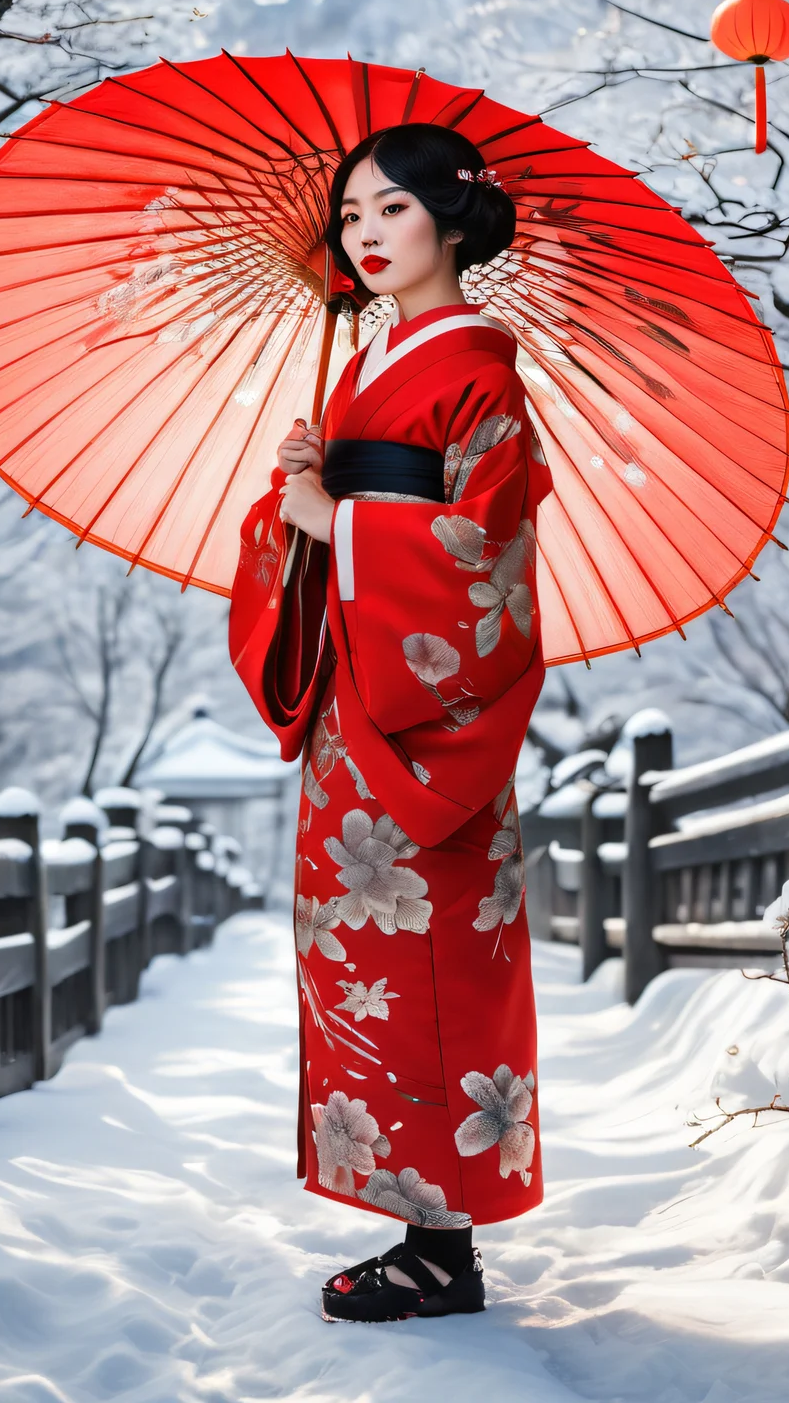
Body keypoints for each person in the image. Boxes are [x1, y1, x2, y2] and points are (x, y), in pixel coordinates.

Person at [229, 122, 548, 1324]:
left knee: (435, 970)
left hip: (426, 727)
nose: (363, 233)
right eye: (351, 213)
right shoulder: (373, 363)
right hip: (357, 722)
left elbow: (485, 562)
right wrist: (301, 489)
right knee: (372, 969)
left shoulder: (478, 372)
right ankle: (420, 1231)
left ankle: (441, 1247)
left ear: (454, 221)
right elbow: (321, 530)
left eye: (392, 210)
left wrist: (338, 522)